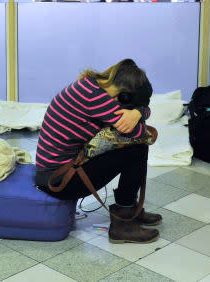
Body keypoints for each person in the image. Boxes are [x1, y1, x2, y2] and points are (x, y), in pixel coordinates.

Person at [35, 59, 160, 244]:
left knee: (135, 146)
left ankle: (130, 210)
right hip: (59, 180)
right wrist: (138, 114)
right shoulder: (94, 97)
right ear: (124, 97)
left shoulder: (89, 86)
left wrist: (138, 113)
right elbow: (139, 132)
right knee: (136, 148)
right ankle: (123, 225)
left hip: (56, 172)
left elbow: (142, 116)